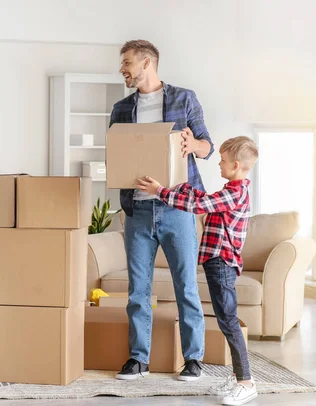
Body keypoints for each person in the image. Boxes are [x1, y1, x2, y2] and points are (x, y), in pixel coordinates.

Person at [111, 39, 214, 381]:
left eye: (127, 63)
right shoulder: (122, 109)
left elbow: (206, 146)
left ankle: (193, 359)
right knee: (138, 289)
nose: (122, 69)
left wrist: (192, 144)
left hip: (177, 208)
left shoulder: (184, 99)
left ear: (147, 62)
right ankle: (138, 359)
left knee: (186, 286)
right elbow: (116, 155)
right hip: (138, 211)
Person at [136, 136, 259, 405]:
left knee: (228, 322)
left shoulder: (235, 193)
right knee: (226, 320)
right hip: (217, 264)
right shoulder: (232, 190)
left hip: (222, 264)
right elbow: (204, 198)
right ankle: (241, 377)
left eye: (223, 160)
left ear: (236, 165)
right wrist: (182, 188)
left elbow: (199, 207)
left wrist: (160, 191)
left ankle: (246, 382)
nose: (219, 163)